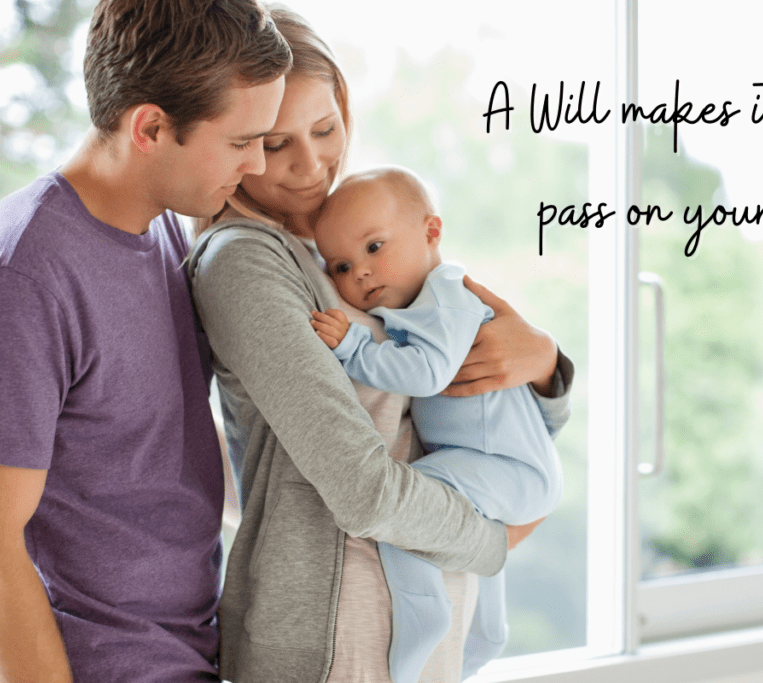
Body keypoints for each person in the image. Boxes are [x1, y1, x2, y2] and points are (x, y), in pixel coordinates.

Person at [186, 8, 573, 682]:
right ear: (238, 139)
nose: (311, 165)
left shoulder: (354, 241)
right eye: (276, 144)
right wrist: (493, 541)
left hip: (417, 596)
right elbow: (361, 488)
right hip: (335, 626)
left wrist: (544, 365)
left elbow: (468, 398)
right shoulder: (246, 263)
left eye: (326, 129)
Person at [0, 1, 291, 681]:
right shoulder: (27, 268)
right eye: (241, 141)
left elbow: (163, 449)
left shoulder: (166, 230)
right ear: (150, 126)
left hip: (198, 655)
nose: (259, 163)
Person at [310, 166, 564, 683]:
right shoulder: (422, 303)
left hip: (508, 467)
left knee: (408, 512)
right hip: (498, 463)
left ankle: (423, 618)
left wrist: (355, 346)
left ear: (431, 232)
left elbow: (426, 375)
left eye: (375, 247)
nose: (357, 272)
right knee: (458, 531)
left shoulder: (445, 297)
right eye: (338, 266)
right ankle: (488, 632)